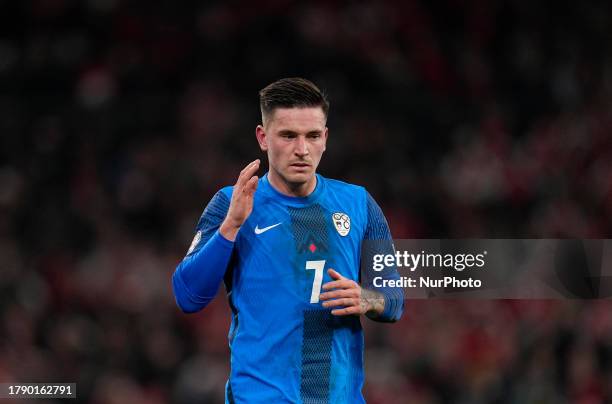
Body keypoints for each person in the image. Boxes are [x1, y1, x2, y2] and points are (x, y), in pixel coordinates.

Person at [172, 77, 403, 403]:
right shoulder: (231, 203)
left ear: (325, 138)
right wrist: (231, 227)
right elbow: (187, 296)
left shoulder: (360, 205)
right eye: (288, 135)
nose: (301, 149)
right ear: (263, 138)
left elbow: (394, 297)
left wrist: (368, 298)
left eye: (312, 136)